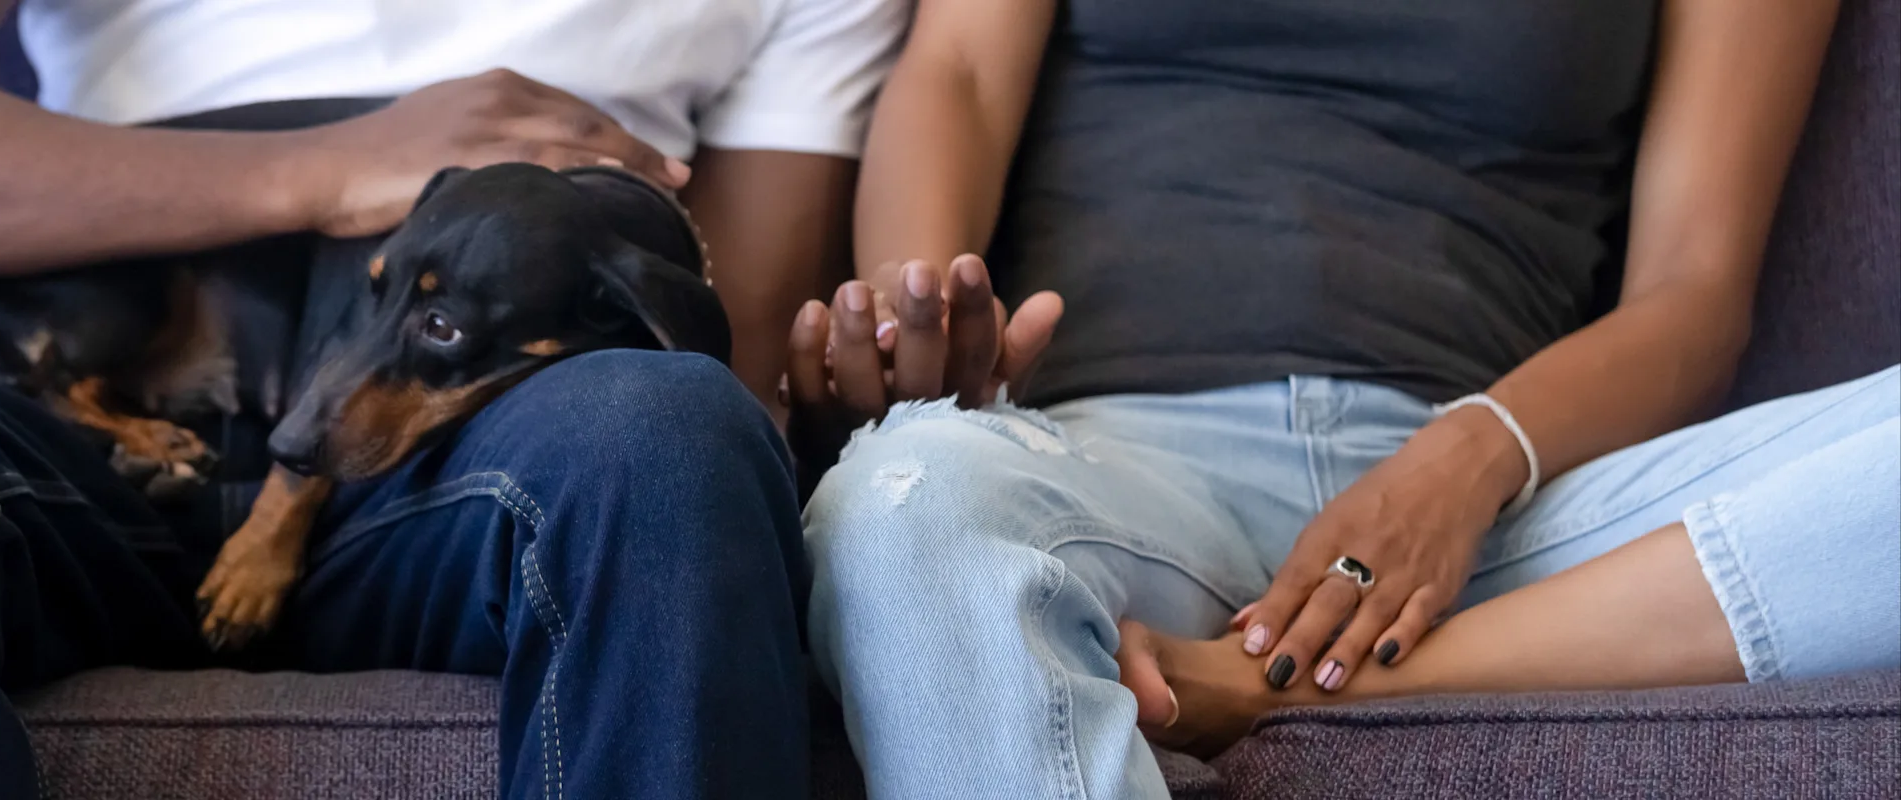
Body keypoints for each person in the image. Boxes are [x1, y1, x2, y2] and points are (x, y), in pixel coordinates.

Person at [0, 0, 908, 797]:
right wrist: (317, 171)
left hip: (481, 469)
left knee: (676, 431)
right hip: (89, 420)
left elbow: (728, 329)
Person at [784, 0, 1890, 797]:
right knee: (900, 500)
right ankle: (1319, 664)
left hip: (1509, 512)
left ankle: (1285, 684)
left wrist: (1469, 457)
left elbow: (1692, 291)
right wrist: (918, 324)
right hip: (1116, 468)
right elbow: (957, 75)